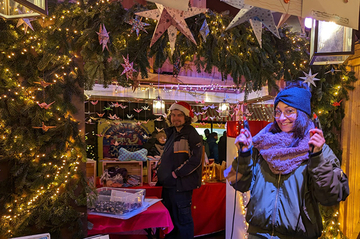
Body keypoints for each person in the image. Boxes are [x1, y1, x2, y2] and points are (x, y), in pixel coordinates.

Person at [225, 82, 349, 239]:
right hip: (258, 234)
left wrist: (317, 159)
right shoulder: (262, 144)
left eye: (289, 111)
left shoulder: (317, 148)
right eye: (278, 112)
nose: (281, 118)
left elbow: (332, 196)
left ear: (302, 114)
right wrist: (244, 155)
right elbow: (240, 184)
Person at [157, 101, 203, 239]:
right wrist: (158, 167)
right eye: (173, 115)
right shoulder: (172, 133)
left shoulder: (191, 133)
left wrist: (176, 173)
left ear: (186, 117)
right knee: (170, 223)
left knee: (183, 223)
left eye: (179, 115)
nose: (175, 118)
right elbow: (168, 156)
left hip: (180, 187)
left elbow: (196, 159)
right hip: (168, 186)